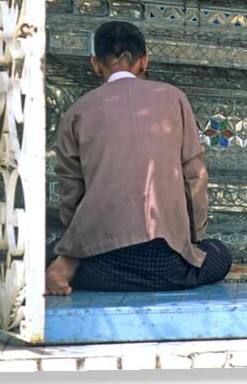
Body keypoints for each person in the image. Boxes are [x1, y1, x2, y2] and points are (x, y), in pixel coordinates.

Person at [45, 20, 232, 294]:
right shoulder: (174, 98)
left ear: (96, 64)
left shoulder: (76, 112)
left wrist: (76, 248)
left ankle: (63, 267)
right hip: (166, 266)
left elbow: (71, 192)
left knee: (48, 250)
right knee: (219, 254)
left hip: (100, 267)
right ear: (144, 61)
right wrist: (192, 239)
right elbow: (195, 177)